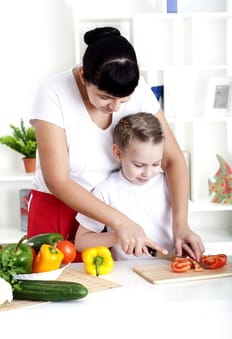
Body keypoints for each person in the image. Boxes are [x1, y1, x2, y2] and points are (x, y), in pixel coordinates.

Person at [27, 26, 204, 261]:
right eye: (105, 97)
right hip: (60, 209)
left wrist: (181, 223)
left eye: (124, 100)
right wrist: (120, 222)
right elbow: (57, 180)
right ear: (83, 76)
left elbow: (172, 158)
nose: (116, 107)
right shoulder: (53, 92)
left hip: (112, 216)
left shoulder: (136, 86)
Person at [75, 112, 174, 260]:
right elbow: (81, 242)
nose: (148, 173)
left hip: (170, 269)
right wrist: (117, 236)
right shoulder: (105, 191)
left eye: (155, 164)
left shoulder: (169, 183)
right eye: (139, 165)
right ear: (118, 153)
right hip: (128, 274)